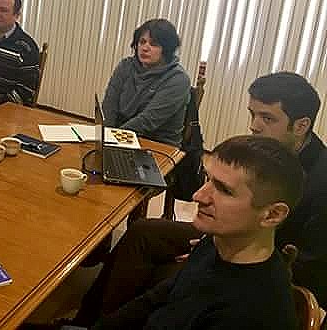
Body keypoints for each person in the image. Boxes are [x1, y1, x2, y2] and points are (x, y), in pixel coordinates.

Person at [69, 71, 327, 327]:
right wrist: (210, 243)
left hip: (258, 252)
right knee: (144, 231)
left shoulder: (321, 183)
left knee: (176, 274)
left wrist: (224, 247)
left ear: (301, 126)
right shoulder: (263, 149)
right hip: (238, 234)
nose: (254, 126)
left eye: (267, 118)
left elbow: (312, 268)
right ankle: (88, 319)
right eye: (253, 114)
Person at [74, 136, 302, 330]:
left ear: (272, 215)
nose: (198, 196)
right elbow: (159, 296)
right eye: (208, 179)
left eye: (224, 190)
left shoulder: (249, 315)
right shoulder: (217, 242)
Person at [102, 18, 191, 146]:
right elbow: (109, 105)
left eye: (153, 44)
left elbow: (148, 121)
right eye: (142, 42)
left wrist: (112, 137)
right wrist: (107, 134)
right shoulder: (125, 66)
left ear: (167, 49)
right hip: (120, 136)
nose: (145, 48)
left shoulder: (178, 79)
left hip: (157, 144)